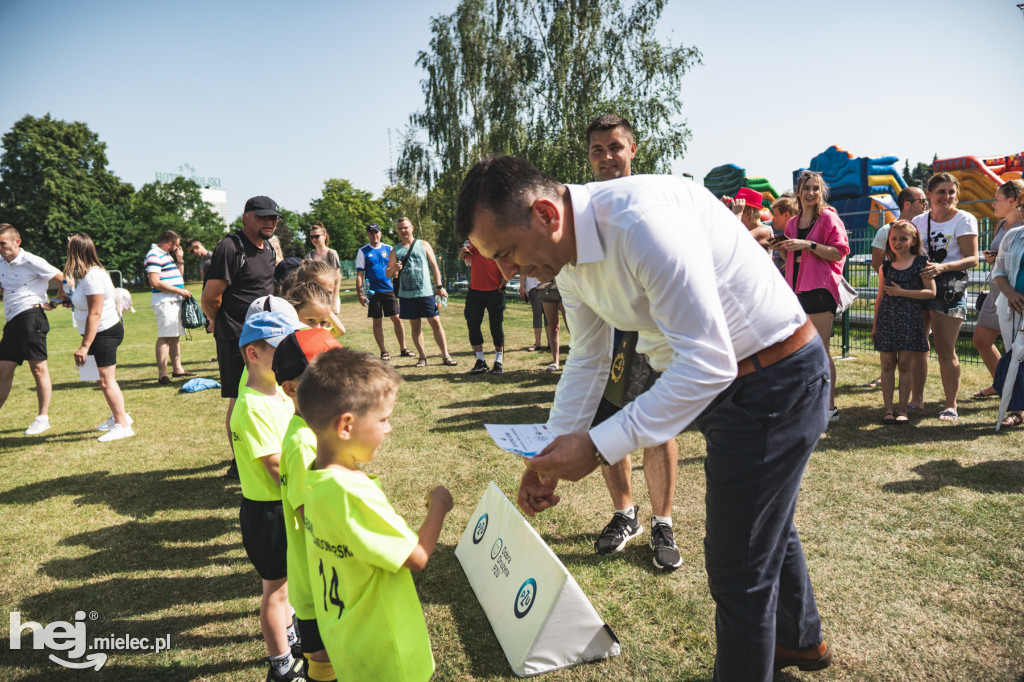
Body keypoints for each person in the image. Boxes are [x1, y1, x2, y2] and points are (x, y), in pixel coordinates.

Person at [456, 155, 833, 678]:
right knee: (762, 524)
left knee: (737, 565)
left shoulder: (641, 223)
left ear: (546, 214)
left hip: (774, 379)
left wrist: (596, 445)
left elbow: (708, 362)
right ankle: (798, 641)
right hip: (740, 380)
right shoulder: (564, 257)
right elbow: (588, 356)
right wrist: (545, 452)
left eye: (508, 252)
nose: (506, 272)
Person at [296, 347, 454, 681]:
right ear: (346, 426)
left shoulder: (313, 476)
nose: (389, 428)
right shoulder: (353, 493)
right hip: (386, 655)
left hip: (347, 643)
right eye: (383, 419)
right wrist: (439, 505)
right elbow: (417, 556)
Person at [583, 113, 681, 571]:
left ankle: (663, 520)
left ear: (633, 150)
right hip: (609, 332)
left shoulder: (651, 198)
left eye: (614, 147)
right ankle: (626, 514)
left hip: (653, 330)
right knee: (607, 426)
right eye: (597, 150)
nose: (606, 157)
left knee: (658, 428)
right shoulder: (584, 207)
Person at [232, 311, 307, 682]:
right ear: (253, 355)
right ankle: (280, 665)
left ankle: (291, 637)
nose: (290, 357)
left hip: (284, 503)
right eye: (281, 350)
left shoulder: (276, 389)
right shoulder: (252, 406)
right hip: (269, 512)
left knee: (290, 584)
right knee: (275, 592)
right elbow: (276, 466)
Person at [275, 327, 342, 682]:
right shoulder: (303, 443)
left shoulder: (313, 431)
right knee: (324, 660)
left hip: (324, 576)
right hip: (320, 580)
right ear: (291, 389)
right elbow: (314, 516)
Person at [202, 195, 281, 478]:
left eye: (273, 218)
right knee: (240, 399)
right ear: (246, 217)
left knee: (267, 396)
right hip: (236, 338)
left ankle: (265, 454)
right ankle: (240, 465)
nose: (270, 222)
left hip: (267, 338)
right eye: (263, 217)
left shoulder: (268, 248)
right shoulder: (230, 246)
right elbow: (210, 297)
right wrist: (218, 322)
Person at [773, 170, 850, 424]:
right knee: (800, 351)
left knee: (820, 350)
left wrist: (809, 245)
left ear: (821, 192)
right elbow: (794, 261)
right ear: (798, 192)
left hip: (820, 290)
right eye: (806, 188)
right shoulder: (793, 223)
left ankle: (829, 407)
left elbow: (839, 253)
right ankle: (806, 403)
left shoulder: (828, 218)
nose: (811, 193)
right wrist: (785, 247)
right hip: (797, 290)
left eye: (815, 188)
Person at [911, 173, 979, 422]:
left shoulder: (964, 219)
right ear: (928, 194)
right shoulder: (918, 220)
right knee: (918, 348)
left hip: (949, 290)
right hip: (920, 288)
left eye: (951, 192)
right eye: (941, 191)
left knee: (945, 350)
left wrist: (942, 267)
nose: (946, 197)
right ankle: (916, 401)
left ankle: (951, 405)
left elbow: (973, 258)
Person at [63, 233, 135, 441]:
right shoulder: (86, 275)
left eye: (68, 247)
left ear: (75, 250)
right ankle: (119, 416)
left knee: (105, 380)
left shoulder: (93, 276)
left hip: (103, 332)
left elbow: (96, 313)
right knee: (98, 378)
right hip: (96, 333)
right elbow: (87, 305)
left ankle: (123, 425)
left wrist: (84, 346)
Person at [0, 223, 67, 435]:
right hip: (11, 321)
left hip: (31, 317)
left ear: (17, 242)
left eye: (2, 244)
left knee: (38, 369)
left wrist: (54, 302)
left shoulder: (31, 260)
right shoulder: (1, 262)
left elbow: (65, 278)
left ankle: (42, 417)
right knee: (3, 371)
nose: (0, 248)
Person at [864, 186, 929, 391]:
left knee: (918, 346)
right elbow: (877, 262)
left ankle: (916, 393)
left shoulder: (926, 226)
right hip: (893, 298)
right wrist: (894, 279)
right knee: (892, 351)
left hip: (918, 300)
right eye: (922, 200)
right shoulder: (885, 230)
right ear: (907, 203)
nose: (926, 203)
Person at [871, 221, 935, 424]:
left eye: (903, 239)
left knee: (905, 365)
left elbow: (931, 292)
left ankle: (902, 410)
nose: (897, 243)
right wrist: (875, 325)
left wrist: (902, 292)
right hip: (887, 320)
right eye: (893, 239)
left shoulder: (921, 263)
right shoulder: (886, 267)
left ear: (913, 240)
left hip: (909, 319)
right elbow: (880, 298)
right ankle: (888, 410)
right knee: (887, 365)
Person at [972, 180, 1024, 398]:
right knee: (981, 341)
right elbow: (1001, 262)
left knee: (1014, 348)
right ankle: (1002, 385)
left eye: (997, 199)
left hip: (1015, 296)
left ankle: (1012, 391)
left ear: (1012, 201)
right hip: (997, 291)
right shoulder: (1001, 225)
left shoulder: (1020, 227)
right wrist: (992, 259)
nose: (993, 203)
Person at [385, 217, 456, 367]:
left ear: (412, 228)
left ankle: (446, 355)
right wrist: (394, 269)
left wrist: (439, 286)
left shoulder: (423, 244)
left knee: (435, 322)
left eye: (405, 227)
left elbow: (434, 267)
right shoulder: (395, 250)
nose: (403, 231)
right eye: (400, 229)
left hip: (426, 292)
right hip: (406, 294)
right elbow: (388, 274)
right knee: (415, 325)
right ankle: (422, 357)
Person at [990, 191, 1024, 428]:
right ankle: (1017, 410)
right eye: (1022, 207)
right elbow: (998, 271)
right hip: (1012, 307)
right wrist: (1010, 293)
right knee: (1015, 357)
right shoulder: (1012, 235)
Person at [145, 230, 196, 385]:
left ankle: (177, 369)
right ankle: (162, 375)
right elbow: (155, 282)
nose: (177, 248)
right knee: (165, 335)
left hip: (174, 300)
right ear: (169, 243)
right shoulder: (154, 254)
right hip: (165, 301)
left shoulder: (166, 255)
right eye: (177, 245)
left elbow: (178, 276)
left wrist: (179, 260)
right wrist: (180, 290)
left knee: (175, 335)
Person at [355, 223, 411, 360]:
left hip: (389, 290)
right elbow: (359, 274)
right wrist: (360, 294)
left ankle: (403, 348)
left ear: (380, 233)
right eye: (371, 232)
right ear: (368, 234)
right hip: (373, 293)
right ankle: (383, 351)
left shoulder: (389, 249)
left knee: (397, 319)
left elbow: (394, 271)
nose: (374, 235)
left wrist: (396, 271)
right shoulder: (363, 251)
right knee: (377, 321)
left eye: (376, 232)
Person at [460, 239, 505, 374]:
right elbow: (468, 262)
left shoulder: (500, 243)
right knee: (473, 324)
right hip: (475, 291)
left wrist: (502, 285)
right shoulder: (472, 242)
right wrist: (462, 255)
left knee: (495, 326)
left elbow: (508, 266)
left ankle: (498, 361)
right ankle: (480, 361)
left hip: (495, 291)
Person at [520, 275, 546, 353]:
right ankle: (537, 343)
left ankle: (551, 343)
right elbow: (522, 270)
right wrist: (522, 287)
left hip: (547, 285)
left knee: (548, 316)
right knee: (537, 314)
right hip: (533, 287)